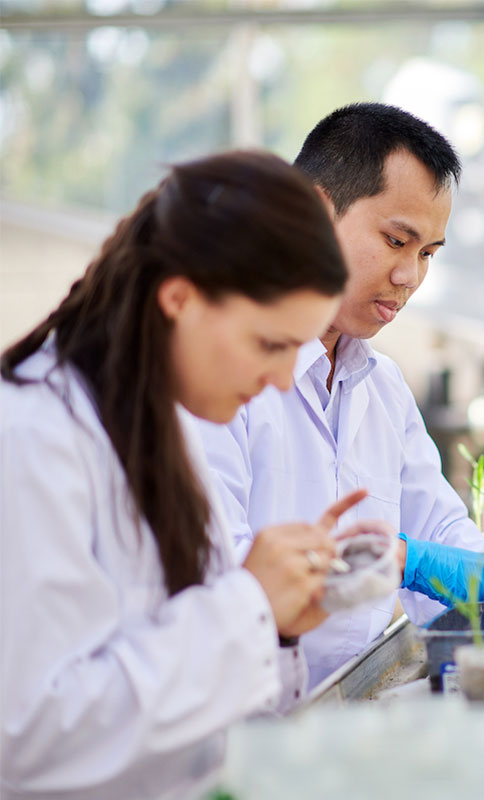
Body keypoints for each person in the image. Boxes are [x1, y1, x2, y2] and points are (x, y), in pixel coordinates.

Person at [197, 102, 484, 687]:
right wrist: (395, 558)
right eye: (396, 240)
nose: (410, 277)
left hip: (358, 697)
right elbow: (222, 573)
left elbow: (448, 546)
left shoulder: (381, 386)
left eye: (427, 254)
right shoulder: (218, 379)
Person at [0, 151, 366, 800]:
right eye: (270, 344)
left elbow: (181, 696)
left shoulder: (158, 423)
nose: (285, 380)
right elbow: (28, 734)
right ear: (179, 299)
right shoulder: (32, 438)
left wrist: (277, 625)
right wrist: (249, 607)